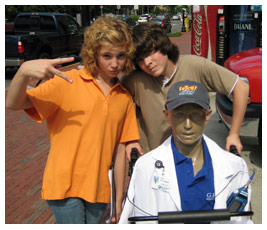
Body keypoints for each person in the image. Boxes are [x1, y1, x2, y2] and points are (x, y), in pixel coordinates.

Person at [6, 17, 141, 224]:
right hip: (63, 185)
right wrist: (23, 73)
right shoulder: (68, 82)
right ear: (94, 53)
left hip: (98, 189)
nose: (115, 64)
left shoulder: (123, 97)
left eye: (120, 56)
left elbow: (120, 151)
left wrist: (119, 199)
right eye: (107, 56)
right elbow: (14, 104)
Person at [119, 80, 253, 224]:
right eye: (179, 115)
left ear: (207, 115)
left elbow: (242, 221)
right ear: (167, 116)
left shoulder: (235, 167)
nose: (187, 125)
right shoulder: (145, 167)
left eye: (195, 115)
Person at [121, 23, 249, 156]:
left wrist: (234, 134)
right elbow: (119, 108)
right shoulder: (135, 80)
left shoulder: (195, 66)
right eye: (141, 59)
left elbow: (241, 87)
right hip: (151, 158)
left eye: (150, 53)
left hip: (190, 156)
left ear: (164, 45)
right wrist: (131, 139)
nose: (147, 62)